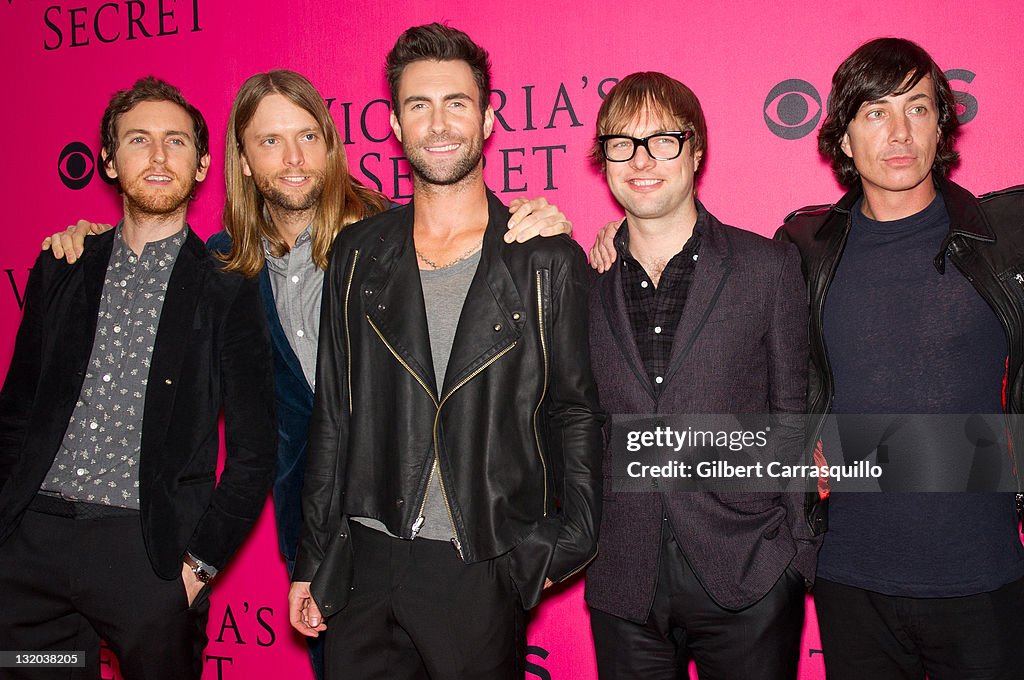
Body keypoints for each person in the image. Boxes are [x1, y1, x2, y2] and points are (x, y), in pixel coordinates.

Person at [43, 67, 574, 680]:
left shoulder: (392, 239)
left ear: (331, 143)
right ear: (241, 160)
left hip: (444, 531)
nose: (293, 158)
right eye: (269, 141)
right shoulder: (222, 267)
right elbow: (142, 264)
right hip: (317, 532)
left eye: (307, 136)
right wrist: (83, 242)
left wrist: (550, 226)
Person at [287, 23, 604, 679]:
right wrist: (312, 558)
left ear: (487, 119)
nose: (438, 124)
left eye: (456, 103)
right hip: (365, 562)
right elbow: (334, 417)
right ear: (396, 125)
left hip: (481, 563)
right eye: (418, 105)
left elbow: (577, 413)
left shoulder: (544, 259)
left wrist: (561, 543)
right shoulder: (356, 254)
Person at [0, 76, 276, 680]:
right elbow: (16, 412)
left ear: (203, 164)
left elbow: (257, 453)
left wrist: (195, 568)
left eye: (176, 142)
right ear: (108, 158)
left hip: (145, 556)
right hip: (30, 553)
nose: (157, 157)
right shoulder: (61, 265)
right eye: (138, 140)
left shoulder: (228, 287)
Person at [775, 38, 1024, 679]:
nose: (899, 132)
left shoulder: (1004, 236)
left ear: (941, 125)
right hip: (850, 577)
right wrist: (620, 235)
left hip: (983, 573)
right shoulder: (803, 247)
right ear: (843, 137)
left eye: (917, 109)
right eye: (875, 112)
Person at [582, 72, 819, 680]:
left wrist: (796, 554)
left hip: (749, 571)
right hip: (624, 579)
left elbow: (792, 412)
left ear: (696, 150)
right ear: (603, 158)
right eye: (622, 142)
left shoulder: (766, 267)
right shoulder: (582, 283)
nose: (641, 159)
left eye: (663, 139)